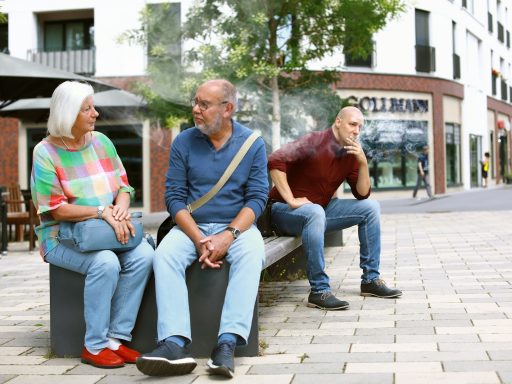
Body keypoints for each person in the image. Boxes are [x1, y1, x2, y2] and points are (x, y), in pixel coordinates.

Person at [136, 79, 268, 378]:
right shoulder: (184, 141)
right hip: (191, 227)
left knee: (252, 255)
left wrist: (229, 235)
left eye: (204, 105)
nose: (195, 109)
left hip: (237, 228)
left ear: (228, 108)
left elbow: (257, 198)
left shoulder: (252, 143)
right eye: (195, 102)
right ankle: (173, 343)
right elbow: (173, 197)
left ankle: (227, 343)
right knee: (165, 255)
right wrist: (198, 238)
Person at [30, 81, 154, 369]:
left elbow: (125, 187)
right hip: (60, 238)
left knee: (145, 256)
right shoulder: (45, 152)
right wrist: (101, 212)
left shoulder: (102, 143)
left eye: (93, 107)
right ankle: (94, 345)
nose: (95, 113)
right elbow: (56, 210)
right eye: (87, 108)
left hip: (107, 231)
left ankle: (115, 339)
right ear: (68, 113)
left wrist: (121, 209)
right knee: (106, 263)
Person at [267, 106, 402, 311]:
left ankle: (370, 280)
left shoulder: (350, 152)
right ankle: (319, 291)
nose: (357, 131)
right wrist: (291, 199)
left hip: (318, 211)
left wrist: (363, 162)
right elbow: (275, 160)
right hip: (283, 211)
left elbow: (362, 194)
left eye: (360, 127)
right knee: (315, 211)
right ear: (338, 122)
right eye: (352, 124)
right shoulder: (314, 141)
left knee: (371, 207)